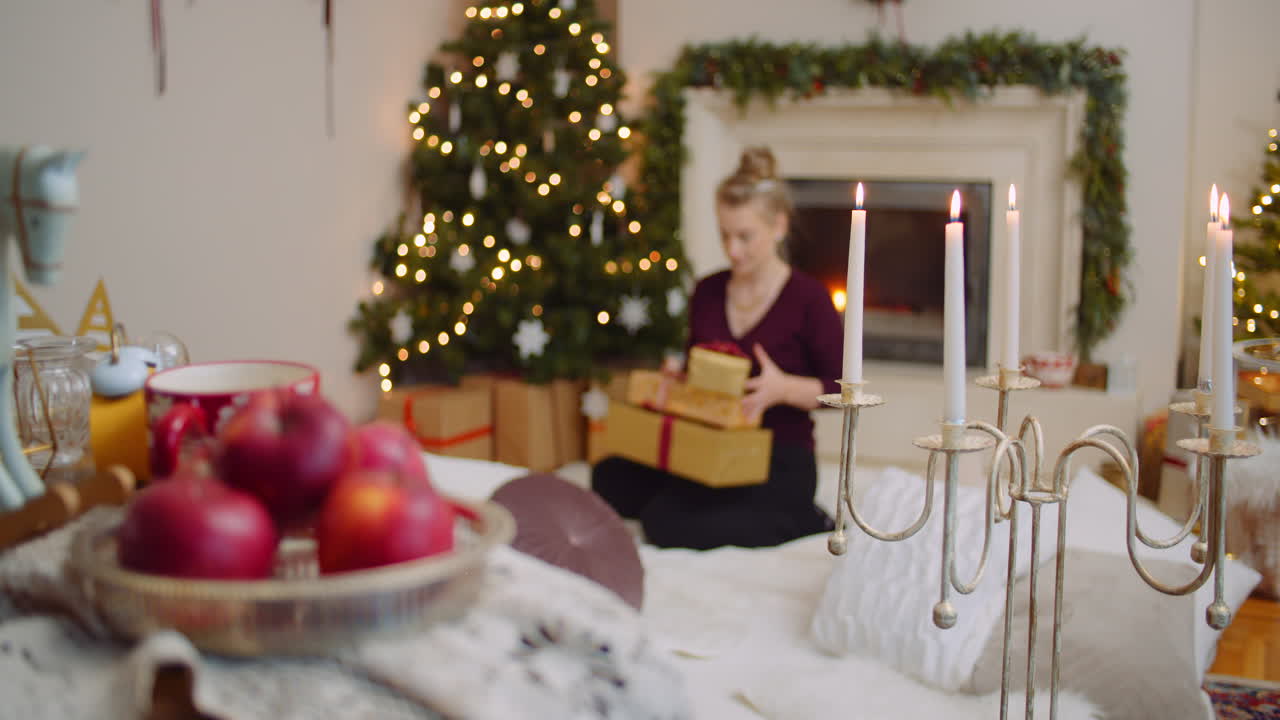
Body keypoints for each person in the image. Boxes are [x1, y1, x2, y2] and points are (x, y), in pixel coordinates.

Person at [591, 147, 844, 550]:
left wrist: (783, 389)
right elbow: (698, 368)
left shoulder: (810, 299)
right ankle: (699, 499)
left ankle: (802, 518)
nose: (733, 250)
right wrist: (679, 379)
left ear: (778, 226)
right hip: (710, 443)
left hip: (775, 455)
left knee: (664, 523)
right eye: (725, 235)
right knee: (608, 477)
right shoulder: (708, 290)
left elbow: (843, 392)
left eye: (745, 236)